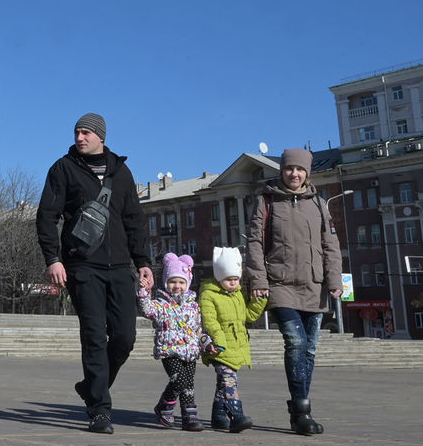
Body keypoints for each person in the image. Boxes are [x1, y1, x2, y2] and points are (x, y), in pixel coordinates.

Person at [35, 113, 154, 435]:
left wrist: (143, 261)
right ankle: (99, 409)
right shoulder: (63, 168)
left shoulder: (121, 171)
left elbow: (134, 219)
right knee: (93, 336)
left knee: (125, 338)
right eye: (77, 132)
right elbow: (47, 216)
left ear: (101, 136)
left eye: (86, 132)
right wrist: (53, 259)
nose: (80, 137)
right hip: (82, 266)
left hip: (120, 269)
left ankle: (91, 386)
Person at [244, 147, 342, 436]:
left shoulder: (319, 203)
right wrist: (259, 280)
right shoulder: (267, 201)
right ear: (282, 170)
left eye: (300, 170)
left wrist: (334, 280)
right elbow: (254, 243)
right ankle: (301, 412)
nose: (294, 174)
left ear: (307, 173)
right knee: (296, 343)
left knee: (310, 349)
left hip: (314, 285)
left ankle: (302, 408)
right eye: (289, 169)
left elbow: (330, 245)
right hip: (280, 284)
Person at [199, 246, 268, 432]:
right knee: (229, 381)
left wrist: (259, 301)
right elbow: (209, 321)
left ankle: (218, 417)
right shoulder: (208, 294)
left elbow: (248, 316)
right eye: (229, 279)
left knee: (223, 383)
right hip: (218, 347)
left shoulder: (237, 294)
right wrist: (218, 340)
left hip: (237, 346)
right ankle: (236, 415)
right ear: (220, 277)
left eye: (236, 279)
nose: (233, 283)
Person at [137, 253, 206, 431]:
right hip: (170, 350)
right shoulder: (161, 304)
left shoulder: (193, 305)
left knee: (188, 385)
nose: (177, 286)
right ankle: (164, 406)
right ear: (166, 283)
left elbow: (198, 329)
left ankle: (189, 416)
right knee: (179, 379)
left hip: (190, 351)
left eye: (181, 282)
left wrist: (206, 342)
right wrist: (144, 293)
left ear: (188, 283)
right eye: (173, 282)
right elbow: (147, 310)